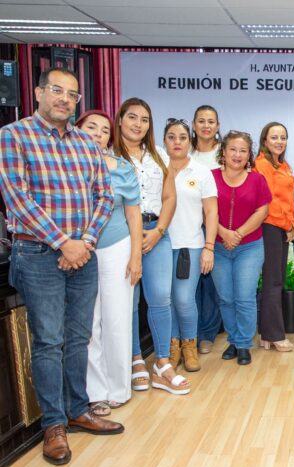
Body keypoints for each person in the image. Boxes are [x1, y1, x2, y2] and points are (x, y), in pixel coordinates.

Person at [0, 68, 123, 466]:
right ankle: (53, 425)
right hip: (39, 255)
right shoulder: (13, 136)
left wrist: (84, 242)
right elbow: (16, 197)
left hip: (83, 253)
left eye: (72, 94)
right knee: (49, 340)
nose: (65, 99)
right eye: (57, 91)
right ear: (38, 93)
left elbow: (104, 196)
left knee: (79, 336)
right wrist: (63, 242)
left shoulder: (86, 144)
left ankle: (77, 408)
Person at [113, 98, 185, 395]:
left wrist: (159, 230)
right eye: (132, 117)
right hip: (120, 234)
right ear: (120, 120)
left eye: (144, 119)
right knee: (128, 300)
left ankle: (162, 363)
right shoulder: (108, 155)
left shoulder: (158, 157)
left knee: (160, 298)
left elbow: (169, 198)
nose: (138, 124)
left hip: (157, 232)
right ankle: (134, 360)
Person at [76, 110, 142, 417]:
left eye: (104, 130)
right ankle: (95, 393)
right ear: (77, 130)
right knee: (89, 324)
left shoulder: (122, 168)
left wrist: (136, 256)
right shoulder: (65, 165)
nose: (98, 133)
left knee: (116, 320)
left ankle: (118, 389)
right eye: (91, 127)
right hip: (77, 251)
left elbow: (133, 215)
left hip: (116, 246)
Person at [211, 131, 271, 365]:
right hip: (217, 246)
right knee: (226, 298)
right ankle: (234, 339)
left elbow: (262, 211)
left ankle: (244, 343)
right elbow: (205, 211)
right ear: (223, 152)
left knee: (245, 297)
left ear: (249, 156)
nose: (237, 154)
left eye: (243, 150)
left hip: (249, 246)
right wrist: (223, 232)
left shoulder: (257, 180)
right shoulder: (211, 177)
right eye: (233, 149)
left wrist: (237, 234)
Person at [164, 119, 218, 372]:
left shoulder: (200, 171)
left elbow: (211, 212)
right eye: (172, 137)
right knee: (166, 300)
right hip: (158, 245)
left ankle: (189, 344)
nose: (177, 142)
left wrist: (209, 247)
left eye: (182, 137)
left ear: (190, 140)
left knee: (184, 299)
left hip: (190, 245)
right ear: (164, 140)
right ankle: (172, 347)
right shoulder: (156, 166)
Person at [254, 122, 294, 352]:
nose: (279, 141)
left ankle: (266, 335)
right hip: (269, 225)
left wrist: (292, 225)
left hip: (282, 227)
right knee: (273, 281)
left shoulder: (284, 165)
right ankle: (275, 334)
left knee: (275, 280)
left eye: (283, 137)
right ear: (265, 140)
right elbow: (269, 199)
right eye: (274, 137)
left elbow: (289, 199)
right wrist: (287, 223)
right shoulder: (261, 164)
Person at [191, 105, 223, 354]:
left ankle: (207, 334)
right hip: (188, 225)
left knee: (211, 283)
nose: (206, 126)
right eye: (201, 121)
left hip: (216, 225)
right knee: (190, 285)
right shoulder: (185, 153)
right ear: (193, 125)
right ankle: (188, 334)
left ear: (218, 126)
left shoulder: (224, 155)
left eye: (211, 121)